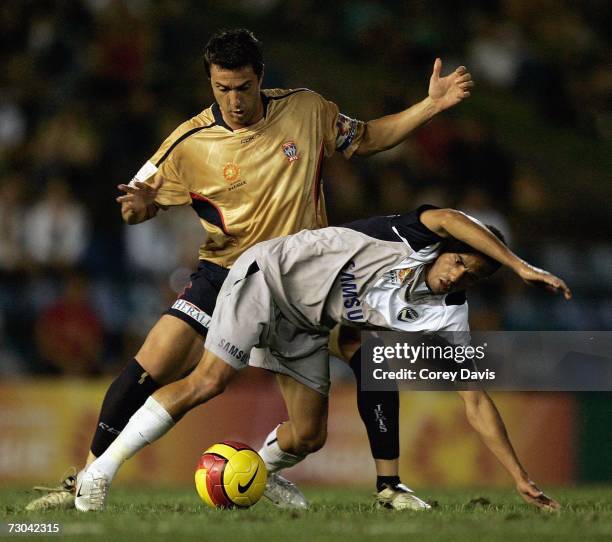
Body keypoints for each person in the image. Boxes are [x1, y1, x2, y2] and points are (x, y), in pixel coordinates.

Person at [26, 28, 475, 511]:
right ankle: (85, 480)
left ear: (260, 77)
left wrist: (429, 106)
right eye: (222, 89)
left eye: (242, 87)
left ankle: (365, 483)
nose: (234, 100)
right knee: (154, 364)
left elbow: (365, 138)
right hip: (224, 272)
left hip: (306, 280)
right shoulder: (189, 142)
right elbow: (137, 205)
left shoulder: (306, 109)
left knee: (327, 413)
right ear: (210, 83)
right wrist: (138, 206)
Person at [74, 205, 570, 512]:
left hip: (306, 324)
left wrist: (519, 477)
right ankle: (99, 473)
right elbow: (452, 219)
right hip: (268, 276)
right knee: (210, 380)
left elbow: (475, 401)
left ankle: (257, 472)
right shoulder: (415, 237)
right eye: (459, 261)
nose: (457, 276)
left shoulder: (447, 314)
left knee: (309, 436)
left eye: (471, 276)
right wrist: (519, 266)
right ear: (447, 249)